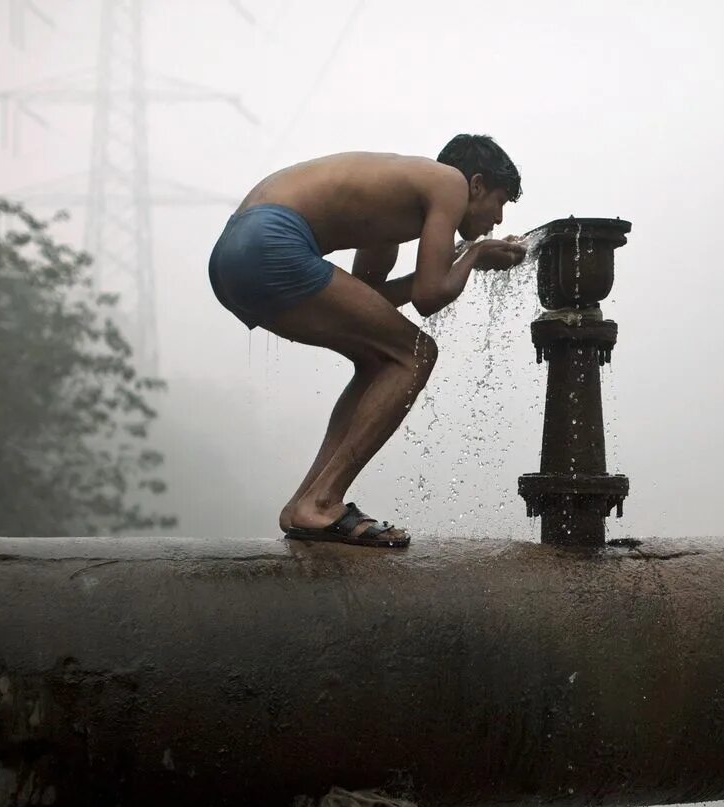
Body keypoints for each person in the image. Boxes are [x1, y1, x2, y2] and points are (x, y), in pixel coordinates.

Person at [207, 134, 527, 547]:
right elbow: (430, 299)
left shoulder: (394, 199)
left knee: (380, 357)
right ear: (477, 184)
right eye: (500, 201)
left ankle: (305, 504)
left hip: (232, 257)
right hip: (273, 240)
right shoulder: (450, 182)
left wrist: (457, 259)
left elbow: (369, 301)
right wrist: (474, 255)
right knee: (417, 353)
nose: (498, 219)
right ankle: (323, 500)